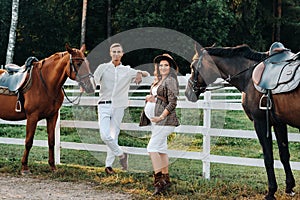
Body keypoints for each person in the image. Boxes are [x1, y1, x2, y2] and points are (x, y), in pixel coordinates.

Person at [94, 43, 149, 175]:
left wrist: (139, 73)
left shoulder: (127, 70)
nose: (116, 54)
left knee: (114, 136)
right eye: (114, 52)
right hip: (104, 105)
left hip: (119, 106)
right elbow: (93, 80)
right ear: (110, 53)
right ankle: (121, 154)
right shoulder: (103, 68)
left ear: (122, 53)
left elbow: (147, 73)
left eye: (119, 52)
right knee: (105, 135)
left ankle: (108, 166)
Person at [139, 53, 180, 195]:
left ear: (171, 67)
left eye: (166, 65)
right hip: (157, 122)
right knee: (161, 149)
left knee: (152, 148)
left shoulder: (171, 81)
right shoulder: (159, 80)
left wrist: (161, 116)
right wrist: (150, 98)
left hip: (165, 121)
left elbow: (173, 102)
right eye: (161, 65)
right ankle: (166, 178)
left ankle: (159, 182)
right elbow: (159, 98)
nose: (163, 67)